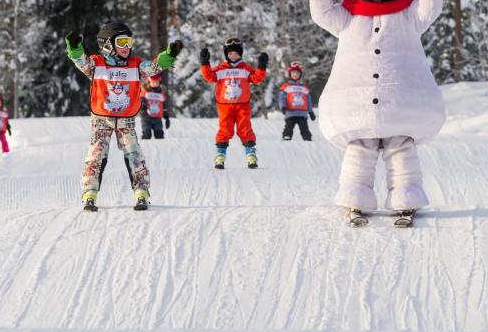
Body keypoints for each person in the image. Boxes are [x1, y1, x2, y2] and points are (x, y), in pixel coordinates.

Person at [309, 0, 446, 227]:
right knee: (359, 148)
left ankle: (406, 195)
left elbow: (429, 11)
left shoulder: (408, 14)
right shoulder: (347, 16)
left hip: (400, 103)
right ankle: (355, 197)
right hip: (357, 106)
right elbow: (322, 15)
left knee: (401, 148)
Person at [66, 21, 183, 211]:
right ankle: (89, 193)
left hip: (126, 119)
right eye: (121, 42)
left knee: (134, 153)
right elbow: (80, 60)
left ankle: (141, 193)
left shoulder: (135, 66)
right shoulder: (96, 64)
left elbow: (154, 67)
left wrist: (169, 55)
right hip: (101, 119)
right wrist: (74, 47)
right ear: (108, 45)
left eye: (129, 42)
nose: (126, 47)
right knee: (96, 154)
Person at [199, 38, 268, 169]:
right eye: (230, 53)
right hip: (225, 107)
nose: (233, 55)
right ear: (226, 55)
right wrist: (204, 63)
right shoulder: (220, 69)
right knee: (225, 130)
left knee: (245, 129)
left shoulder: (245, 69)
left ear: (240, 54)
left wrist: (261, 66)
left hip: (243, 106)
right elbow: (208, 76)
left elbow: (257, 78)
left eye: (236, 53)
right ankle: (220, 156)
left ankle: (251, 155)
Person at [278, 61, 315, 141]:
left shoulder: (304, 88)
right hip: (290, 112)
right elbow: (282, 98)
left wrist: (311, 112)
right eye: (293, 72)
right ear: (289, 74)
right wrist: (283, 107)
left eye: (297, 73)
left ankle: (307, 139)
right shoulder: (286, 87)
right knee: (289, 126)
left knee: (304, 127)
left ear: (300, 74)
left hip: (302, 113)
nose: (295, 74)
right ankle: (286, 137)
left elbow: (308, 100)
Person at [139, 75, 171, 139]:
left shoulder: (161, 94)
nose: (155, 84)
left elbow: (164, 105)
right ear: (149, 83)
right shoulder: (144, 92)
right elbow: (141, 102)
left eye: (157, 82)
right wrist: (143, 108)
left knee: (159, 135)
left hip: (157, 117)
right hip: (146, 117)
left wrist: (166, 117)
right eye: (153, 82)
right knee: (147, 135)